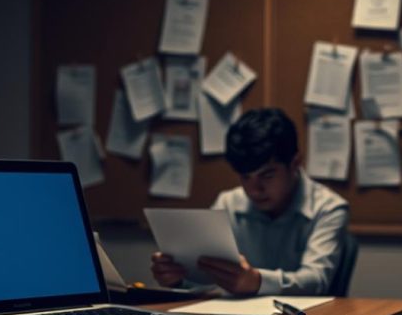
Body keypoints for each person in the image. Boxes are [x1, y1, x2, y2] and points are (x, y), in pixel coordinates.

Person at [150, 107, 349, 296]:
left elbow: (317, 280)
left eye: (267, 175)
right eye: (245, 177)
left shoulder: (328, 208)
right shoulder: (227, 203)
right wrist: (177, 279)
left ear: (295, 163)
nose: (255, 189)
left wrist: (258, 281)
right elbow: (207, 279)